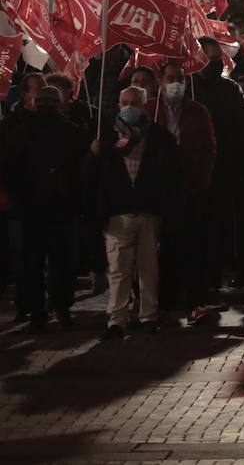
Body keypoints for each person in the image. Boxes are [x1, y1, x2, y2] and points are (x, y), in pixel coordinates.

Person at [91, 86, 180, 340]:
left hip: (149, 211)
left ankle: (148, 316)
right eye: (125, 102)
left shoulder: (159, 138)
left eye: (135, 102)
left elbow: (171, 175)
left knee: (148, 267)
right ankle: (117, 320)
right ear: (118, 105)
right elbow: (94, 176)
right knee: (119, 268)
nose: (130, 107)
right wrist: (95, 154)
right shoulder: (107, 138)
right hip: (118, 213)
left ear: (144, 106)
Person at [3, 86, 86, 331]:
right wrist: (21, 196)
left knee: (63, 263)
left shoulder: (72, 132)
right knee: (32, 264)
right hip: (31, 209)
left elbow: (80, 170)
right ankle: (37, 311)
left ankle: (61, 306)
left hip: (61, 208)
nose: (45, 106)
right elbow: (10, 169)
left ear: (59, 104)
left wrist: (72, 196)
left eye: (50, 102)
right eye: (41, 102)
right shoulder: (22, 133)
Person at [147, 62, 218, 322]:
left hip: (189, 187)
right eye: (170, 78)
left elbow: (209, 148)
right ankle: (164, 300)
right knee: (160, 248)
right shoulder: (150, 110)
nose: (175, 83)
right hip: (157, 190)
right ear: (160, 80)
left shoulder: (197, 111)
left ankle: (195, 300)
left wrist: (200, 181)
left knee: (191, 245)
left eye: (180, 78)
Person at [192, 38, 244, 301]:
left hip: (223, 169)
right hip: (193, 169)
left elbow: (242, 128)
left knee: (217, 226)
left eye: (218, 59)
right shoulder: (189, 88)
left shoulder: (230, 90)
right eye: (210, 58)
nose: (215, 64)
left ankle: (213, 278)